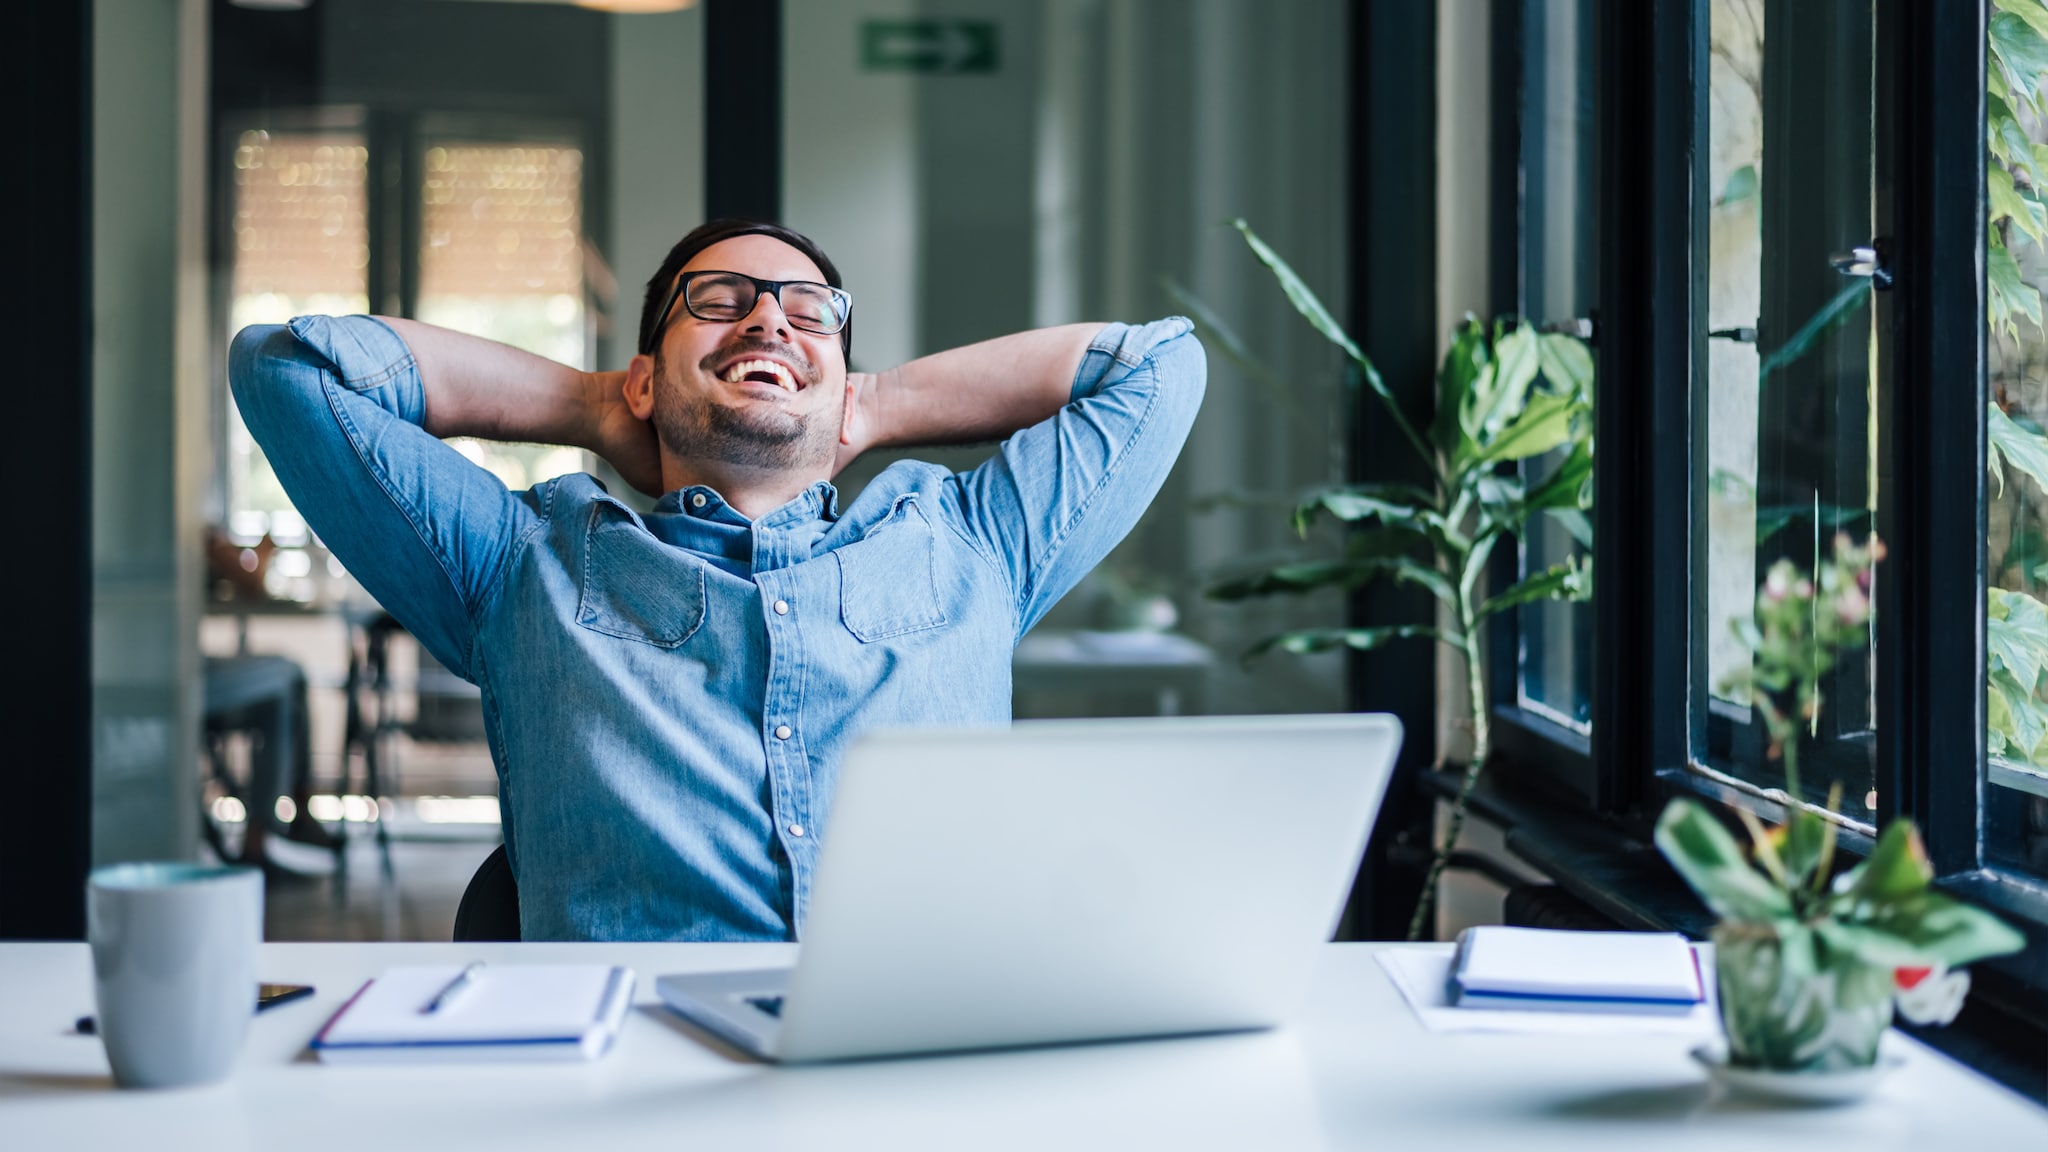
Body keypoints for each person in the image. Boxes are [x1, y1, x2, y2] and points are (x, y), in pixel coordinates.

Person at [229, 218, 1205, 941]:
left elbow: (1159, 368)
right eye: (719, 301)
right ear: (646, 378)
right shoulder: (520, 562)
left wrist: (868, 403)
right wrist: (593, 404)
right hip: (631, 1090)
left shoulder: (974, 543)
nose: (769, 320)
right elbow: (288, 369)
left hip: (929, 1079)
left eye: (807, 311)